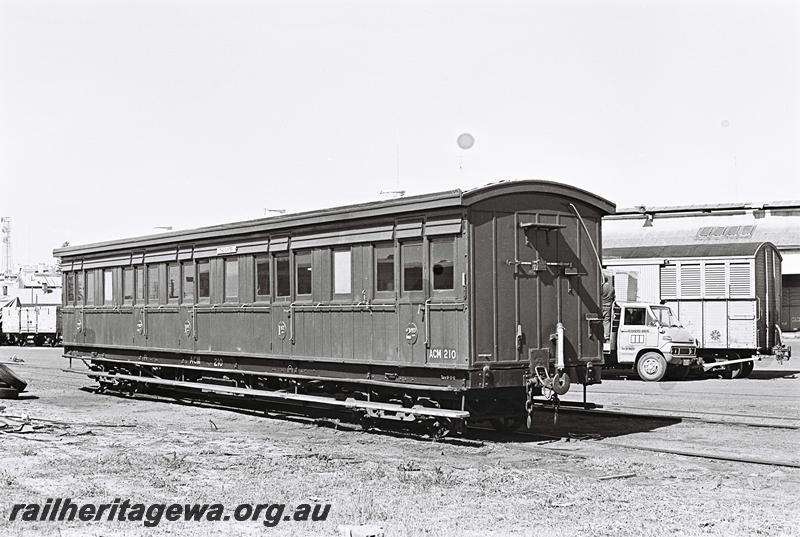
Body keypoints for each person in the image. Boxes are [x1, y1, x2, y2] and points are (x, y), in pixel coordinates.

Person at [601, 271, 615, 340]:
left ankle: (600, 334)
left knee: (599, 320)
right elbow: (613, 297)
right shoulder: (611, 287)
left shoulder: (601, 287)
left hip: (601, 305)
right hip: (608, 306)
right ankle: (606, 335)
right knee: (606, 321)